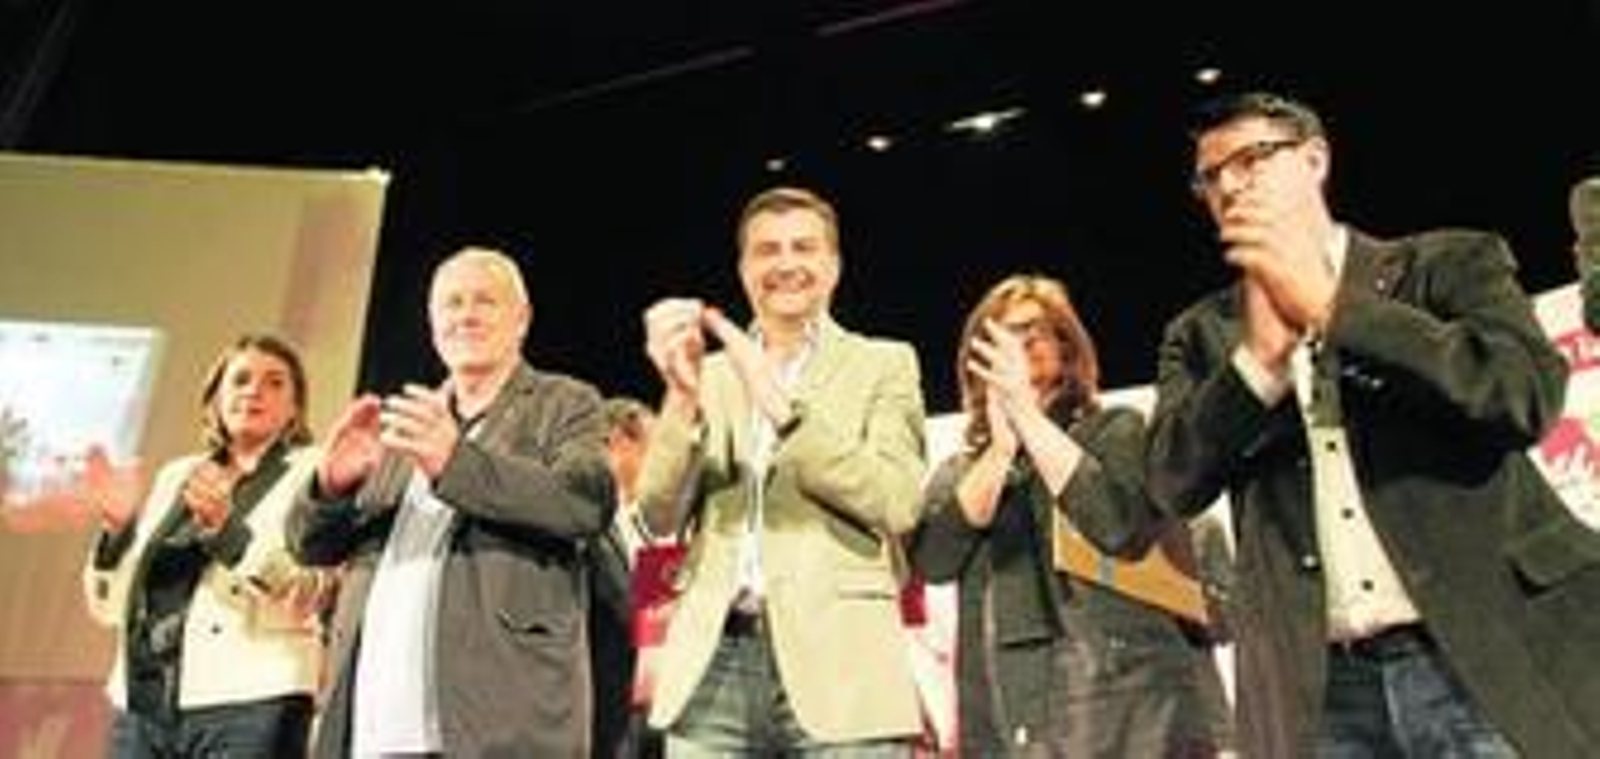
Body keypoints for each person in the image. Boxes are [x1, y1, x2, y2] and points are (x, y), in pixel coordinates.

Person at [1145, 89, 1600, 757]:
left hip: (1480, 648)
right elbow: (1170, 481)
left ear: (1314, 158)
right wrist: (1258, 364)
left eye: (1251, 157)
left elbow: (1522, 394)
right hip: (1325, 687)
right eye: (1211, 175)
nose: (1230, 184)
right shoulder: (1203, 333)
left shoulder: (1446, 263)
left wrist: (1336, 309)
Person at [286, 246, 614, 757]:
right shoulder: (406, 420)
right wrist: (331, 487)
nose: (465, 315)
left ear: (521, 319)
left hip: (496, 718)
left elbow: (583, 502)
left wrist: (454, 462)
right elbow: (309, 546)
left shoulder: (564, 403)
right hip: (375, 717)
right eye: (451, 303)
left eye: (484, 301)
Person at [638, 185, 928, 756]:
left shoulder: (884, 363)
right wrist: (679, 396)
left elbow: (896, 500)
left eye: (804, 247)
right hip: (713, 670)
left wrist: (785, 414)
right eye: (767, 250)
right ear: (744, 269)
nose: (786, 263)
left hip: (843, 668)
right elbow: (657, 512)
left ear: (834, 265)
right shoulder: (708, 374)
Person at [908, 273, 1229, 757]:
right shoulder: (962, 472)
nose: (1025, 344)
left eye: (1038, 329)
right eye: (1006, 334)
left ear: (1068, 347)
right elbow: (932, 562)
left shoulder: (1116, 430)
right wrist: (999, 451)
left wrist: (1028, 418)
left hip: (1133, 699)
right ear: (979, 359)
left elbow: (1117, 525)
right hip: (1009, 702)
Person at [82, 333, 331, 758]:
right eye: (240, 380)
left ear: (295, 408)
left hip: (254, 702)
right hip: (143, 702)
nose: (254, 390)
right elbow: (109, 608)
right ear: (215, 399)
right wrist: (116, 531)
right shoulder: (176, 475)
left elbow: (311, 591)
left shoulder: (315, 471)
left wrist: (226, 533)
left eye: (274, 382)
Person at [589, 394, 666, 758]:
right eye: (656, 446)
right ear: (620, 443)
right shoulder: (584, 516)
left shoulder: (653, 517)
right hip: (600, 692)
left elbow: (655, 606)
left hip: (648, 695)